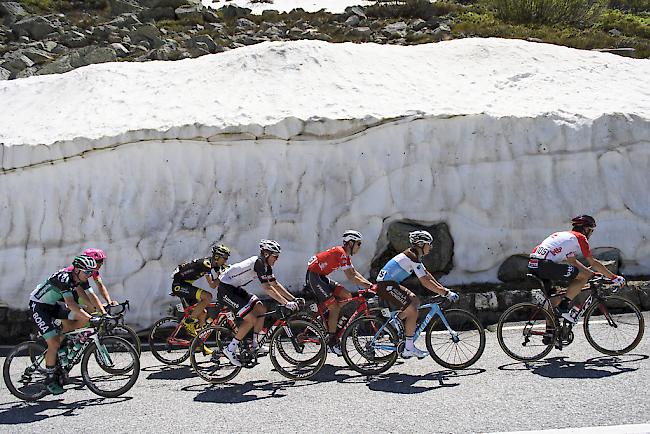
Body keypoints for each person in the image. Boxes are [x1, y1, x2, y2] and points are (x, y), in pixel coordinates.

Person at [528, 215, 625, 325]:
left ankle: (549, 334)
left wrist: (592, 274)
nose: (591, 234)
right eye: (591, 231)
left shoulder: (566, 237)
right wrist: (614, 277)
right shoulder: (580, 237)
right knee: (582, 277)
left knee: (553, 300)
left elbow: (573, 261)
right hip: (544, 265)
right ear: (586, 229)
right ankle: (564, 305)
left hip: (534, 264)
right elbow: (592, 262)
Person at [376, 230, 459, 359]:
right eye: (429, 244)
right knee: (413, 311)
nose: (431, 247)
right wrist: (445, 293)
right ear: (420, 244)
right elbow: (425, 281)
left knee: (415, 301)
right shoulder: (412, 257)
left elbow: (427, 275)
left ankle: (394, 323)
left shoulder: (413, 256)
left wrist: (443, 289)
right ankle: (408, 348)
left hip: (388, 284)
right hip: (386, 286)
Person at [218, 239, 301, 367]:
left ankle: (255, 345)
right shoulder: (259, 263)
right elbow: (267, 288)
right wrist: (285, 303)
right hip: (226, 290)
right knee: (250, 319)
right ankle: (230, 349)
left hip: (234, 288)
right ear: (267, 254)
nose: (277, 259)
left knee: (261, 309)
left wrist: (293, 299)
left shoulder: (265, 265)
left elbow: (275, 284)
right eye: (275, 256)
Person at [28, 255, 99, 395]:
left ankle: (62, 344)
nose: (89, 275)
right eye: (87, 272)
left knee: (81, 320)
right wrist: (91, 317)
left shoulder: (76, 278)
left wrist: (94, 311)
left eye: (91, 272)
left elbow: (84, 297)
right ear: (77, 270)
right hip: (39, 307)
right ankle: (49, 379)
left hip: (53, 305)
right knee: (53, 342)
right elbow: (71, 304)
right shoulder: (64, 279)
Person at [305, 230, 374, 355]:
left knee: (346, 295)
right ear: (350, 243)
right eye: (358, 244)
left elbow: (354, 273)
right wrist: (369, 286)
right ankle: (332, 341)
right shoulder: (341, 253)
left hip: (321, 276)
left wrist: (370, 285)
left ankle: (326, 317)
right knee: (335, 307)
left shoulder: (344, 254)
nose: (360, 247)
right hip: (314, 277)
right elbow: (351, 277)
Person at [171, 244, 231, 336]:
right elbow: (213, 285)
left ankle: (199, 343)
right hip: (179, 286)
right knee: (208, 297)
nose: (226, 260)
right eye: (225, 258)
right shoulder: (206, 264)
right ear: (217, 256)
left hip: (185, 284)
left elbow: (221, 278)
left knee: (203, 313)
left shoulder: (215, 264)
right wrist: (223, 275)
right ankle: (189, 322)